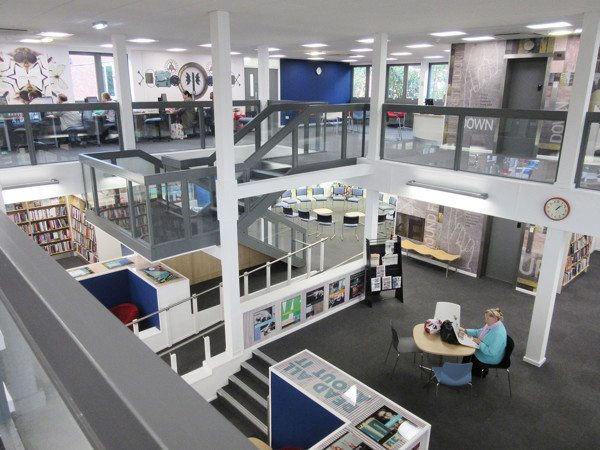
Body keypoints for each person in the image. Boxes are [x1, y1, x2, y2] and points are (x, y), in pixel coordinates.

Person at [460, 307, 507, 376]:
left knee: (468, 350)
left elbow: (491, 352)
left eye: (487, 318)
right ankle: (463, 369)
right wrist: (465, 330)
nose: (485, 320)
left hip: (490, 357)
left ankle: (465, 372)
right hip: (484, 347)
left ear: (495, 319)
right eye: (485, 318)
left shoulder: (498, 334)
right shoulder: (492, 325)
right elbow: (479, 332)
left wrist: (480, 343)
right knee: (468, 348)